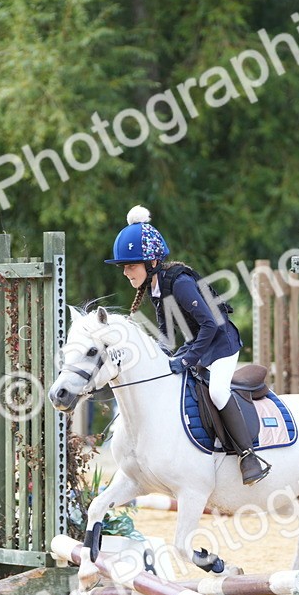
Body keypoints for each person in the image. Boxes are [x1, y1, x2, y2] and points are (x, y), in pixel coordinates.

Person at [106, 205, 266, 485]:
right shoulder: (156, 287)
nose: (126, 273)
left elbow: (209, 325)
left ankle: (248, 455)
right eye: (124, 267)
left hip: (222, 345)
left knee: (216, 392)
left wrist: (188, 358)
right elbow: (166, 336)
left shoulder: (179, 283)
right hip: (201, 346)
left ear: (151, 263)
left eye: (130, 266)